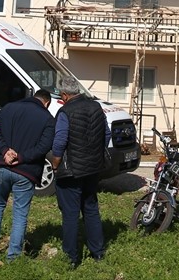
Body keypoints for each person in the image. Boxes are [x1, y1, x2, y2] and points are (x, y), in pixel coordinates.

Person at [0, 89, 54, 263]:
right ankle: (13, 256)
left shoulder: (8, 108)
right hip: (27, 171)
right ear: (47, 103)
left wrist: (5, 151)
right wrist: (21, 157)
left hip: (2, 167)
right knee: (20, 212)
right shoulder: (48, 119)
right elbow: (44, 147)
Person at [51, 77, 109, 266]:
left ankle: (71, 256)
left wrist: (55, 163)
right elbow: (106, 134)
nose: (61, 99)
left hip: (72, 170)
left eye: (61, 96)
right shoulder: (96, 107)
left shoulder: (65, 111)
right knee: (91, 208)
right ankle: (98, 252)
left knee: (70, 213)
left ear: (65, 95)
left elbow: (60, 140)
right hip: (93, 168)